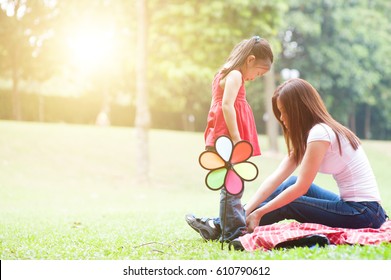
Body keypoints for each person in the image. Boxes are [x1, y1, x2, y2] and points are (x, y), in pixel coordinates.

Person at [188, 78, 388, 246]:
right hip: (356, 208)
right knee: (289, 183)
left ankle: (230, 226)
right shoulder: (313, 134)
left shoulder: (320, 133)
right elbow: (276, 179)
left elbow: (302, 188)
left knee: (291, 198)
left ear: (299, 109)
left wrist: (260, 213)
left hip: (365, 213)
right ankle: (225, 223)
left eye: (284, 111)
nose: (282, 118)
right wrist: (247, 210)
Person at [185, 36, 274, 242]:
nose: (256, 77)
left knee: (233, 183)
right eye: (258, 72)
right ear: (250, 60)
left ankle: (225, 228)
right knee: (233, 185)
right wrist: (236, 139)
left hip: (224, 136)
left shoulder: (225, 72)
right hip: (228, 138)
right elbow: (227, 105)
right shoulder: (235, 74)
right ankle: (232, 233)